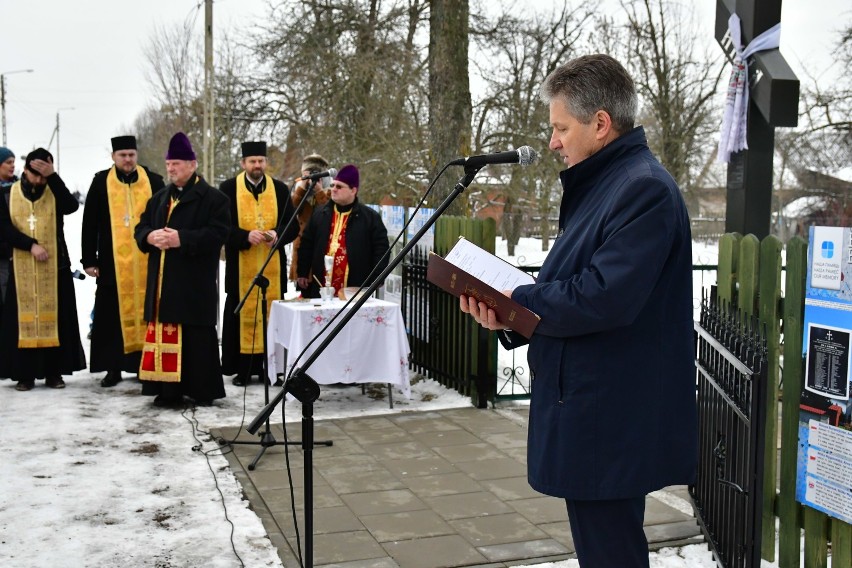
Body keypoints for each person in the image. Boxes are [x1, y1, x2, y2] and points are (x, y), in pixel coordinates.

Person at [460, 54, 697, 568]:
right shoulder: (605, 186)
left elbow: (602, 296)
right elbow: (569, 286)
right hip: (592, 411)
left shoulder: (642, 189)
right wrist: (509, 318)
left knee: (611, 554)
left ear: (601, 124)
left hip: (609, 419)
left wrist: (517, 302)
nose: (552, 142)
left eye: (561, 128)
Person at [134, 132, 230, 407]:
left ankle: (201, 390)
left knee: (195, 339)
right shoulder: (160, 197)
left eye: (176, 163)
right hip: (163, 285)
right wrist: (149, 237)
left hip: (193, 284)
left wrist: (182, 239)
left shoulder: (214, 199)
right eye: (168, 164)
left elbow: (218, 234)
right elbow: (140, 228)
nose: (171, 169)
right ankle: (168, 391)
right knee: (166, 333)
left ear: (193, 164)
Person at [81, 135, 166, 388]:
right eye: (122, 155)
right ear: (113, 157)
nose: (127, 160)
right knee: (110, 316)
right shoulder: (100, 182)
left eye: (131, 155)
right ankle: (113, 368)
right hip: (112, 261)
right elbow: (89, 223)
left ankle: (143, 365)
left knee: (147, 311)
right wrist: (89, 259)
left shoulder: (153, 180)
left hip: (146, 260)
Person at [0, 148, 86, 391]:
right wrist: (30, 245)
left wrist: (54, 177)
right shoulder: (8, 192)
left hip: (55, 265)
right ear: (25, 170)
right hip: (22, 266)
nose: (38, 180)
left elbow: (71, 206)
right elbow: (3, 227)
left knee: (56, 319)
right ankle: (24, 374)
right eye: (34, 175)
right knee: (22, 321)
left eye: (43, 175)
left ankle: (53, 372)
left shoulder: (54, 189)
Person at [219, 141, 299, 386]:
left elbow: (293, 226)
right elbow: (220, 227)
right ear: (243, 163)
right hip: (240, 269)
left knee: (270, 316)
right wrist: (245, 236)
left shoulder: (280, 189)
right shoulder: (229, 188)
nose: (257, 165)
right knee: (243, 316)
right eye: (252, 161)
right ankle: (242, 371)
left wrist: (277, 234)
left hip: (272, 269)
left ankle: (270, 369)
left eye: (261, 161)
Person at [296, 164, 389, 299]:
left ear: (353, 190)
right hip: (321, 285)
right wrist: (303, 272)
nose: (333, 189)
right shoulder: (320, 213)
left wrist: (377, 278)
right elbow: (306, 244)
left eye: (339, 187)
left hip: (355, 287)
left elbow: (381, 249)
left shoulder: (369, 217)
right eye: (333, 185)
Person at [289, 153, 332, 298]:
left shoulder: (332, 191)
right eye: (308, 174)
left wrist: (319, 191)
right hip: (302, 250)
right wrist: (301, 188)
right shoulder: (299, 192)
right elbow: (290, 211)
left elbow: (328, 213)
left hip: (322, 250)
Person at [0, 147, 18, 329]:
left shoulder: (18, 188)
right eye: (8, 162)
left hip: (18, 251)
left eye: (13, 162)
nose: (12, 166)